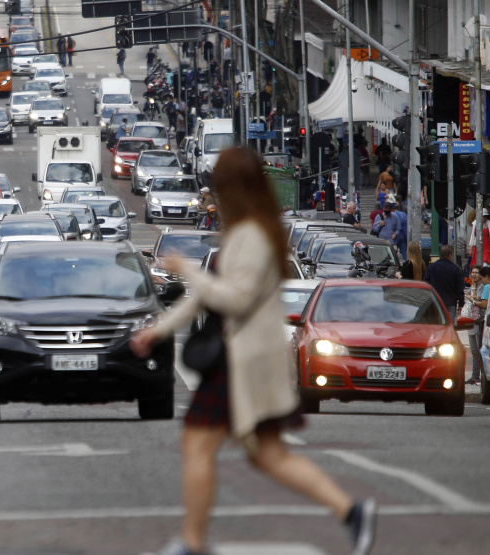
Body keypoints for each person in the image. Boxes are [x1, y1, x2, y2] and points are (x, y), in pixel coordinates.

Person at [130, 147, 374, 555]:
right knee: (268, 456)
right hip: (241, 356)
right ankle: (351, 512)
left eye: (220, 188)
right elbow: (203, 297)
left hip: (238, 360)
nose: (215, 196)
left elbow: (234, 299)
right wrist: (158, 330)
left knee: (199, 444)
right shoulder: (249, 231)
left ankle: (192, 543)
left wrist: (185, 270)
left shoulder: (252, 236)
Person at [424, 244, 465, 323]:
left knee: (436, 325)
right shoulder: (455, 269)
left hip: (435, 302)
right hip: (450, 303)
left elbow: (426, 283)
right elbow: (459, 288)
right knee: (448, 325)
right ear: (450, 255)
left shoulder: (431, 267)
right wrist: (461, 303)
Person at [465, 265, 486, 386]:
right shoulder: (472, 286)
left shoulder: (482, 287)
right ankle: (474, 376)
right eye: (472, 272)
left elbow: (475, 299)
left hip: (478, 320)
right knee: (473, 350)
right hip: (470, 320)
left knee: (479, 350)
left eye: (476, 273)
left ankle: (480, 376)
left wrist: (472, 293)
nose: (474, 275)